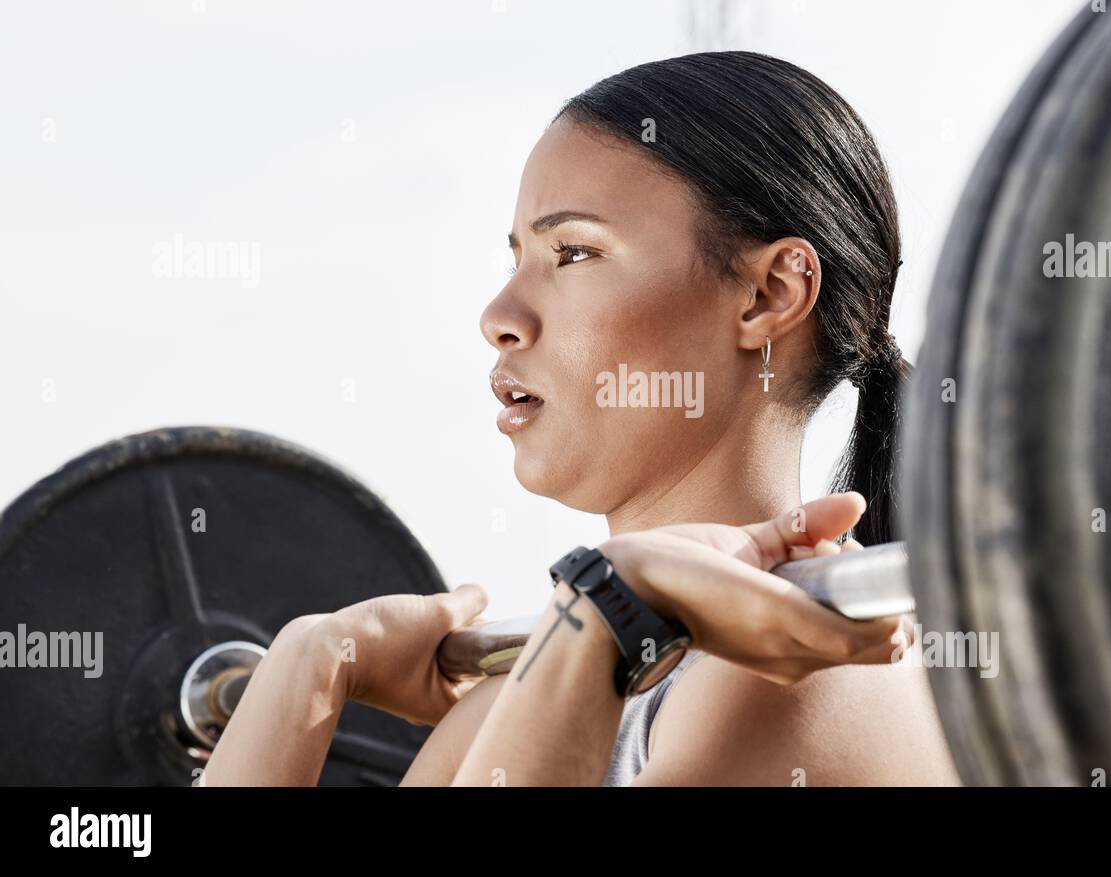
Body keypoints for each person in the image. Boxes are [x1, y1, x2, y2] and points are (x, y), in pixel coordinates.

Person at [203, 50, 959, 787]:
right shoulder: (513, 698)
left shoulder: (804, 678)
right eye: (515, 260)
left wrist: (604, 609)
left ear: (767, 296)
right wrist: (309, 663)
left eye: (573, 252)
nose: (499, 317)